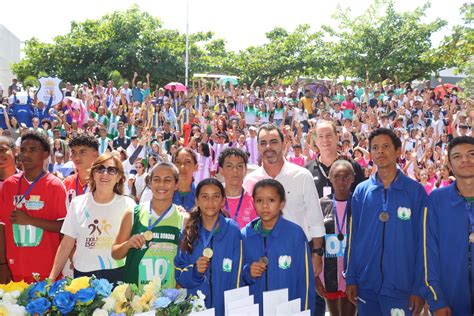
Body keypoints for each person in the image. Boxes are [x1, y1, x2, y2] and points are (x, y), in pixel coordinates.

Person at [345, 128, 426, 315]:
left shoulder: (415, 192)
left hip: (403, 288)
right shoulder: (361, 191)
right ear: (370, 153)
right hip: (367, 287)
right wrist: (351, 278)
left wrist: (418, 286)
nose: (380, 151)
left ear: (398, 151)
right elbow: (354, 238)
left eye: (386, 146)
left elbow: (423, 244)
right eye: (375, 147)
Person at [243, 124, 325, 282]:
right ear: (258, 147)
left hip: (299, 251)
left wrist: (317, 253)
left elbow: (315, 218)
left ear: (283, 143)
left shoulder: (302, 175)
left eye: (273, 141)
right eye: (263, 143)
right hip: (262, 256)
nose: (268, 147)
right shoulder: (249, 180)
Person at [49, 152, 136, 282]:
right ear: (93, 174)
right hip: (83, 275)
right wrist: (51, 278)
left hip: (118, 272)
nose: (105, 174)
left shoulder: (129, 205)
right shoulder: (77, 203)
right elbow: (66, 244)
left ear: (118, 177)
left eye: (111, 170)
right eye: (100, 169)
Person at [241, 179, 315, 314]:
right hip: (254, 309)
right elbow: (236, 275)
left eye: (271, 200)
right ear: (253, 203)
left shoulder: (295, 234)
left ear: (282, 203)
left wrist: (305, 311)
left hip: (287, 309)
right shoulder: (245, 235)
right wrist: (248, 272)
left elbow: (306, 280)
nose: (264, 206)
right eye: (259, 201)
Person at [0, 132, 67, 283]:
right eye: (23, 150)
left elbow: (64, 227)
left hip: (46, 271)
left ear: (45, 154)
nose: (26, 154)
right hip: (14, 269)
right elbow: (2, 227)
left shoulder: (55, 185)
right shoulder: (9, 185)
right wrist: (2, 264)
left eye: (32, 150)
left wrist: (29, 220)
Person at [421, 136, 474, 315]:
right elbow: (428, 253)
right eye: (457, 156)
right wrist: (436, 299)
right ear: (449, 165)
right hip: (451, 300)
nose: (465, 160)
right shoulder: (436, 200)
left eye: (471, 154)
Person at [112, 162, 186, 289]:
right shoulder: (133, 213)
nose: (161, 184)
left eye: (167, 180)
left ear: (176, 185)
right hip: (136, 300)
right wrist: (128, 244)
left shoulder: (184, 218)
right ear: (150, 183)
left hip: (167, 300)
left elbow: (186, 263)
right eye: (156, 179)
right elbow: (115, 253)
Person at [174, 178, 242, 316]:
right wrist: (195, 271)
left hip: (224, 308)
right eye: (204, 197)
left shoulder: (232, 229)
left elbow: (238, 275)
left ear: (223, 201)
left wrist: (233, 308)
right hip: (194, 308)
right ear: (197, 200)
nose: (210, 202)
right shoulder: (188, 230)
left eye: (216, 196)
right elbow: (179, 275)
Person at [317, 160, 356, 316]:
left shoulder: (359, 203)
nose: (341, 181)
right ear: (330, 177)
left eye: (346, 176)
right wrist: (316, 278)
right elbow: (315, 242)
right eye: (337, 176)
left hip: (352, 273)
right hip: (328, 273)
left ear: (353, 178)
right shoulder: (321, 204)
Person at [306, 121, 365, 198]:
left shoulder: (353, 166)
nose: (325, 140)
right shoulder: (307, 170)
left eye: (329, 135)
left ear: (337, 138)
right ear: (316, 141)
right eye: (321, 136)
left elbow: (361, 197)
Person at [218, 148, 257, 228]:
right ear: (221, 170)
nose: (235, 170)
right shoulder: (214, 201)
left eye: (239, 166)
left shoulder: (254, 202)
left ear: (245, 170)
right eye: (229, 166)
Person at [63, 134, 99, 204]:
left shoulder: (103, 183)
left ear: (95, 154)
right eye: (73, 152)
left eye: (82, 152)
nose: (77, 158)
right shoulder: (67, 183)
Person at [172, 147, 198, 211]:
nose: (182, 167)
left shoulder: (201, 195)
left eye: (188, 162)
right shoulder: (165, 194)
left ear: (196, 167)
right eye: (178, 162)